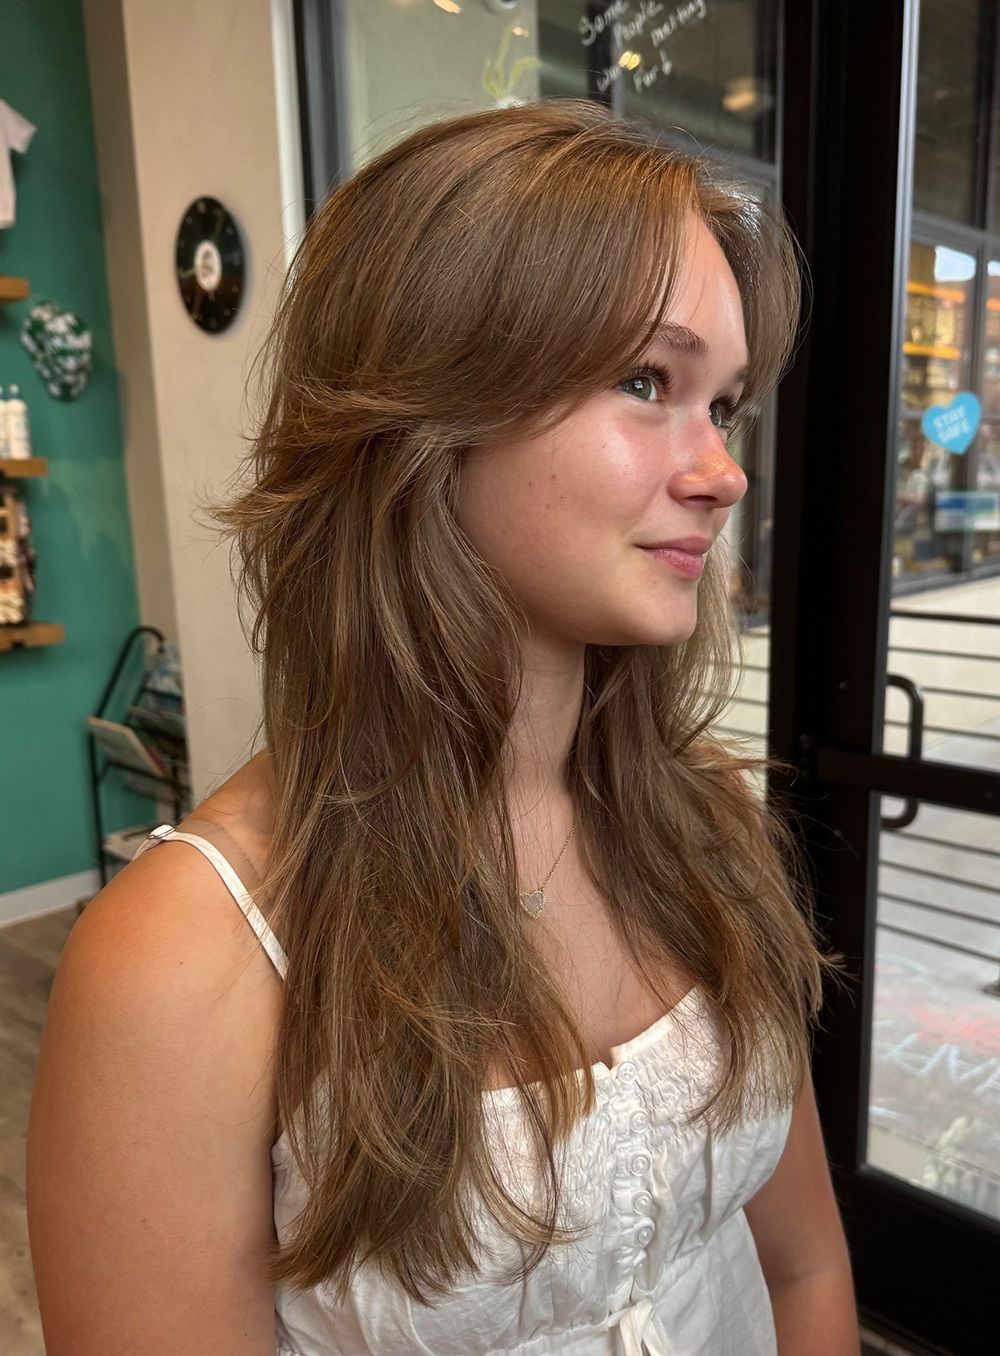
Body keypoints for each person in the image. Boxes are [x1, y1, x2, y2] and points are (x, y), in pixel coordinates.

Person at [26, 98, 860, 1355]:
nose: (722, 470)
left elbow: (798, 1268)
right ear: (428, 410)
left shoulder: (707, 824)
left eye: (723, 403)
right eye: (646, 381)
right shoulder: (184, 961)